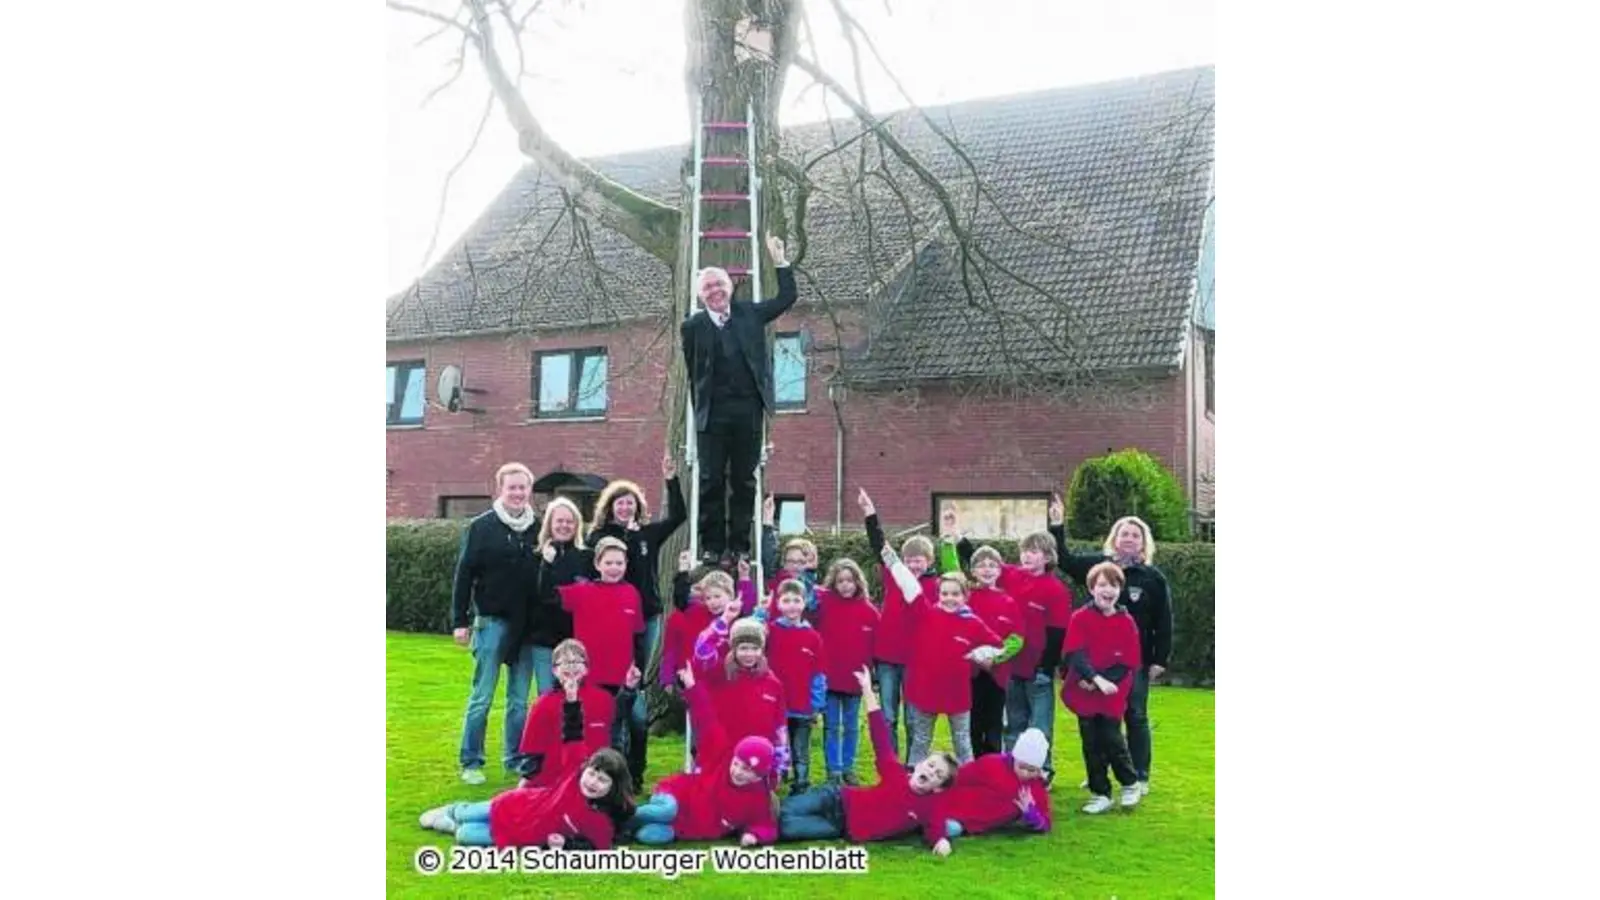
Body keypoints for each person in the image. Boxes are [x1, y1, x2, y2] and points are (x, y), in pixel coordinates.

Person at [680, 235, 799, 567]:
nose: (715, 292)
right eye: (707, 289)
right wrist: (701, 412)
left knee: (745, 480)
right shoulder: (692, 327)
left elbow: (787, 297)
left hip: (747, 410)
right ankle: (712, 546)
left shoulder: (749, 314)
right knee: (710, 480)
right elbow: (694, 375)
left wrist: (780, 261)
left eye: (719, 284)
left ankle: (740, 546)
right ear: (700, 296)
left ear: (730, 286)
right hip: (713, 414)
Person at [1048, 496, 1173, 796]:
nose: (1129, 539)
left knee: (1135, 715)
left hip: (1134, 661)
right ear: (1114, 539)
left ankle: (1139, 775)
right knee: (1101, 717)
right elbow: (1063, 559)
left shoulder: (1153, 578)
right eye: (1124, 533)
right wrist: (1057, 525)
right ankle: (1099, 772)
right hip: (1095, 662)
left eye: (1135, 535)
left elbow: (1164, 619)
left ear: (1143, 542)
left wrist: (1160, 659)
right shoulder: (1097, 568)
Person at [585, 456, 689, 786]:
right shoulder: (600, 536)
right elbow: (607, 566)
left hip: (649, 615)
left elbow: (679, 517)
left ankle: (633, 761)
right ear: (610, 506)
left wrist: (671, 480)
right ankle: (617, 756)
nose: (625, 508)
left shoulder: (647, 533)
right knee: (619, 684)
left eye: (630, 503)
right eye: (620, 502)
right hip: (615, 620)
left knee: (637, 682)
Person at [778, 667, 958, 851]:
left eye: (938, 774)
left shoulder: (930, 807)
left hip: (839, 827)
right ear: (919, 764)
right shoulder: (895, 774)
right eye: (931, 765)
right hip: (836, 799)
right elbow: (880, 737)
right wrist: (867, 690)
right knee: (785, 810)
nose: (930, 771)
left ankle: (758, 829)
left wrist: (941, 841)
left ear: (938, 787)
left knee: (787, 829)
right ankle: (755, 820)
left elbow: (937, 830)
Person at [449, 462, 541, 785]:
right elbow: (464, 576)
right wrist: (459, 620)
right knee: (482, 697)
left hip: (526, 627)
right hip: (490, 623)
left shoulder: (538, 528)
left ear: (530, 491)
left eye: (523, 487)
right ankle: (471, 760)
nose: (518, 493)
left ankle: (514, 757)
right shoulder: (481, 527)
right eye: (511, 487)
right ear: (501, 489)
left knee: (518, 700)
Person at [626, 664, 779, 846]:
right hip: (676, 797)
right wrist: (691, 687)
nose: (737, 771)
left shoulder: (758, 798)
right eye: (737, 764)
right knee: (666, 811)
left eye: (747, 770)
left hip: (684, 829)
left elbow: (766, 826)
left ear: (759, 775)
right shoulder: (721, 755)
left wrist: (754, 835)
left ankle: (628, 829)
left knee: (650, 835)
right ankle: (617, 817)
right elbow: (707, 720)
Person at [884, 549, 1007, 767]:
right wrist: (892, 561)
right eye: (945, 594)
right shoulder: (926, 614)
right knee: (921, 739)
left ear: (965, 596)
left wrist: (980, 655)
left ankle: (969, 780)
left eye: (955, 594)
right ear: (938, 594)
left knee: (962, 740)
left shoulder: (972, 622)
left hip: (958, 693)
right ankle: (914, 775)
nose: (949, 599)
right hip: (926, 690)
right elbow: (910, 587)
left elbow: (998, 645)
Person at [858, 487, 943, 761]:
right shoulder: (894, 575)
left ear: (929, 561)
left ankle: (912, 763)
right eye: (908, 561)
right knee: (888, 714)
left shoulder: (937, 586)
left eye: (918, 561)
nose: (913, 566)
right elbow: (879, 544)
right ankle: (889, 761)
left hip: (917, 659)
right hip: (887, 657)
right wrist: (870, 513)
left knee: (913, 717)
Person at [418, 747, 634, 850]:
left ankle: (452, 825)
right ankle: (455, 810)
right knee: (470, 813)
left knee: (466, 835)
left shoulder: (600, 820)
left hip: (523, 834)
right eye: (592, 774)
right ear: (584, 770)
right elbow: (572, 736)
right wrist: (571, 696)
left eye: (602, 780)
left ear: (614, 787)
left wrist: (566, 843)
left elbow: (597, 846)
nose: (593, 782)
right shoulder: (571, 780)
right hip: (517, 806)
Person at [1063, 561, 1145, 813]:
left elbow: (1128, 661)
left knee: (1112, 740)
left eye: (1113, 585)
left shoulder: (1126, 622)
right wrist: (1092, 678)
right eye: (1101, 585)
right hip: (1084, 687)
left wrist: (1104, 682)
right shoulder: (1080, 617)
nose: (1107, 590)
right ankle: (1100, 792)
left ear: (1119, 590)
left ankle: (1130, 783)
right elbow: (1075, 652)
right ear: (1091, 588)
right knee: (1090, 743)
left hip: (1112, 691)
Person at [514, 639, 636, 790]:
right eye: (564, 662)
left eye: (577, 661)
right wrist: (524, 788)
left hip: (594, 782)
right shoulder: (543, 704)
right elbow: (532, 753)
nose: (571, 666)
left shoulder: (603, 698)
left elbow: (616, 728)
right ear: (554, 670)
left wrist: (629, 689)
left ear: (586, 668)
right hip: (553, 783)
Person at [927, 728, 1053, 852]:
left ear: (1039, 769)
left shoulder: (1036, 787)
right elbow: (962, 775)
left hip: (969, 825)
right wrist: (939, 784)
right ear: (1015, 759)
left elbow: (1045, 823)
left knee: (950, 829)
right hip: (954, 804)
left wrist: (1031, 813)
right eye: (1021, 767)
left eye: (1031, 770)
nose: (1025, 773)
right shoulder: (992, 764)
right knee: (929, 813)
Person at [811, 558, 879, 786]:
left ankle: (848, 767)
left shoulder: (869, 611)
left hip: (855, 680)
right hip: (829, 678)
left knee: (851, 726)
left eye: (850, 580)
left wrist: (871, 677)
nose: (846, 585)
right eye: (840, 581)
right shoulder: (824, 604)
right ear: (834, 583)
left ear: (858, 582)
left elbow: (876, 644)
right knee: (831, 726)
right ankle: (833, 770)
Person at [760, 579, 827, 795]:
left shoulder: (813, 637)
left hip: (802, 705)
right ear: (778, 604)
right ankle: (770, 782)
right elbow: (751, 632)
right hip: (774, 704)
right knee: (774, 745)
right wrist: (761, 611)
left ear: (805, 602)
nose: (791, 605)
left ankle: (801, 785)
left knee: (800, 749)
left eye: (796, 600)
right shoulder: (769, 631)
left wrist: (816, 704)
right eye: (786, 600)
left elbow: (818, 674)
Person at [530, 497, 591, 701]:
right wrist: (546, 564)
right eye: (559, 521)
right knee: (547, 697)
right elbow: (541, 595)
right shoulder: (537, 556)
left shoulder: (587, 558)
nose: (564, 526)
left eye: (569, 521)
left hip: (576, 643)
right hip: (544, 640)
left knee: (576, 697)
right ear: (550, 524)